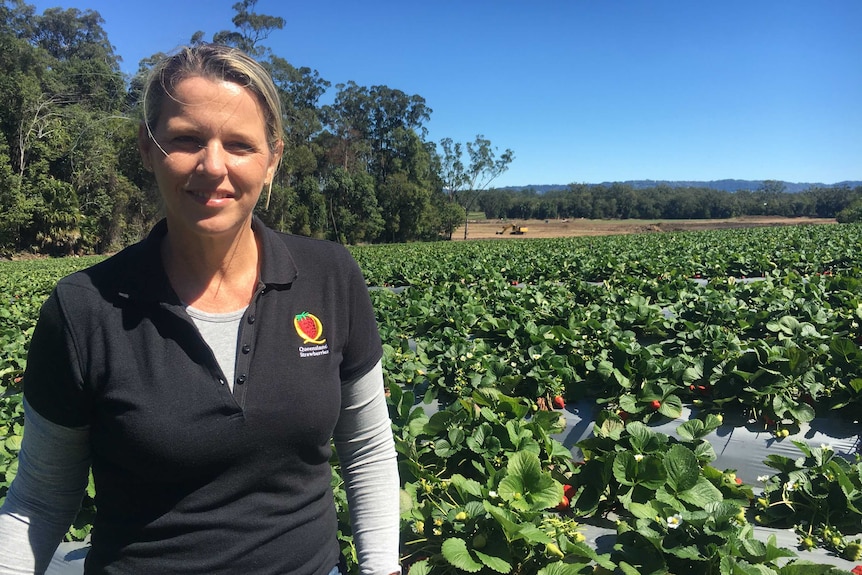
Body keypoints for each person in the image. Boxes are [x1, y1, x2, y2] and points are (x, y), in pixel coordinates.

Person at [0, 44, 401, 575]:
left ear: (273, 157)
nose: (214, 166)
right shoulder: (84, 310)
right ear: (148, 148)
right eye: (187, 140)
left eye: (239, 144)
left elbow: (368, 449)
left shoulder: (329, 276)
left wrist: (381, 568)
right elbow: (40, 501)